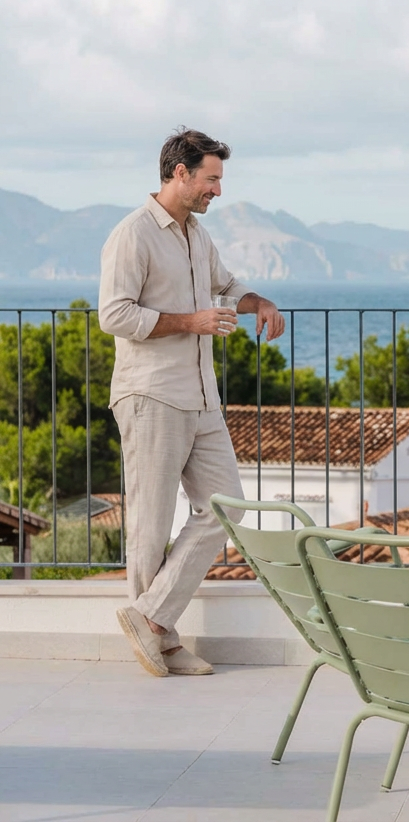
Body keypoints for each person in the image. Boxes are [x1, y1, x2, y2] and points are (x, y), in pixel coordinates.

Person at [99, 128, 285, 677]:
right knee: (150, 527)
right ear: (180, 173)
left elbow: (227, 289)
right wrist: (192, 321)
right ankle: (163, 642)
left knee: (227, 507)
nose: (217, 191)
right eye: (212, 179)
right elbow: (115, 315)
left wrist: (261, 304)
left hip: (202, 397)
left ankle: (151, 620)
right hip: (150, 394)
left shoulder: (197, 237)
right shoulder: (132, 235)